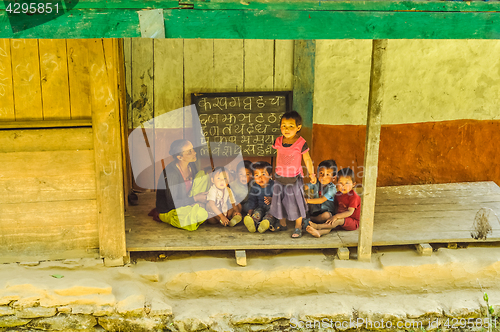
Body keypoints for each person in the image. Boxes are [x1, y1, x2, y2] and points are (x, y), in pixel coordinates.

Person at [269, 111, 316, 238]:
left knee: (296, 202)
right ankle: (282, 224)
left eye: (291, 126)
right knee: (279, 201)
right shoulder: (278, 141)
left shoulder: (301, 143)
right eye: (283, 125)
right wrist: (274, 173)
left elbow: (307, 159)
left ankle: (298, 227)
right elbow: (277, 157)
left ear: (298, 127)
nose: (286, 129)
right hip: (279, 177)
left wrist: (312, 174)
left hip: (294, 178)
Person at [155, 139, 208, 230]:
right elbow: (172, 204)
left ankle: (196, 208)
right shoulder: (172, 174)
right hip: (171, 210)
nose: (194, 152)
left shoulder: (191, 165)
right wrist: (195, 199)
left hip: (186, 202)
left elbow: (196, 186)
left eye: (193, 149)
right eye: (189, 152)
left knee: (204, 175)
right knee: (201, 214)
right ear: (180, 157)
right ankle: (195, 211)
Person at [306, 167, 360, 238]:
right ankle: (319, 232)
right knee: (330, 223)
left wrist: (336, 216)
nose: (343, 185)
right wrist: (332, 217)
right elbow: (336, 207)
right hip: (339, 219)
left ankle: (318, 226)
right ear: (337, 183)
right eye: (340, 183)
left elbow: (350, 212)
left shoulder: (354, 197)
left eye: (347, 183)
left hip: (352, 222)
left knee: (336, 221)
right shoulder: (338, 194)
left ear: (354, 184)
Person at [303, 159, 338, 227]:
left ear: (333, 178)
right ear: (317, 173)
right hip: (315, 211)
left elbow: (322, 200)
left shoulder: (332, 189)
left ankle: (310, 219)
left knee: (326, 216)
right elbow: (306, 187)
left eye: (327, 174)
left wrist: (307, 201)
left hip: (327, 212)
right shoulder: (316, 183)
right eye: (321, 173)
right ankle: (309, 218)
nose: (323, 177)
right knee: (304, 196)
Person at [243, 161, 275, 233]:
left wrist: (272, 199)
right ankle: (252, 224)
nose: (260, 178)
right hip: (259, 206)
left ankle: (265, 224)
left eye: (263, 174)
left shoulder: (274, 185)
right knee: (257, 213)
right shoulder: (254, 187)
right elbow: (252, 199)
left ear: (270, 175)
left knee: (270, 214)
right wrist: (250, 210)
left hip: (271, 207)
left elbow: (279, 197)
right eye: (257, 175)